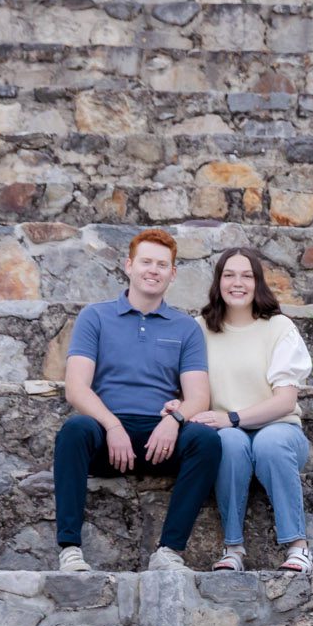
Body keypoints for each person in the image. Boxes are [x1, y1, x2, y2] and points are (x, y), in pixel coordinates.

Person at [53, 228, 220, 572]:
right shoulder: (95, 317)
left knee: (206, 440)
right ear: (129, 266)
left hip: (160, 438)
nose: (153, 270)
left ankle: (169, 552)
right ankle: (70, 549)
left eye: (162, 265)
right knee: (74, 431)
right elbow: (76, 388)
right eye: (146, 261)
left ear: (172, 274)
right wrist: (112, 425)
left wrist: (173, 422)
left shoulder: (185, 328)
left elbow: (199, 396)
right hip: (107, 436)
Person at [184, 247, 313, 573]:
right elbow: (188, 381)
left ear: (258, 283)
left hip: (281, 430)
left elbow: (285, 401)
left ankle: (298, 548)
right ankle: (233, 549)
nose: (237, 283)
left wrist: (232, 417)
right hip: (229, 432)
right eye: (229, 275)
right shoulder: (199, 329)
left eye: (246, 275)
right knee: (228, 443)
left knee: (268, 443)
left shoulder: (278, 327)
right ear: (218, 282)